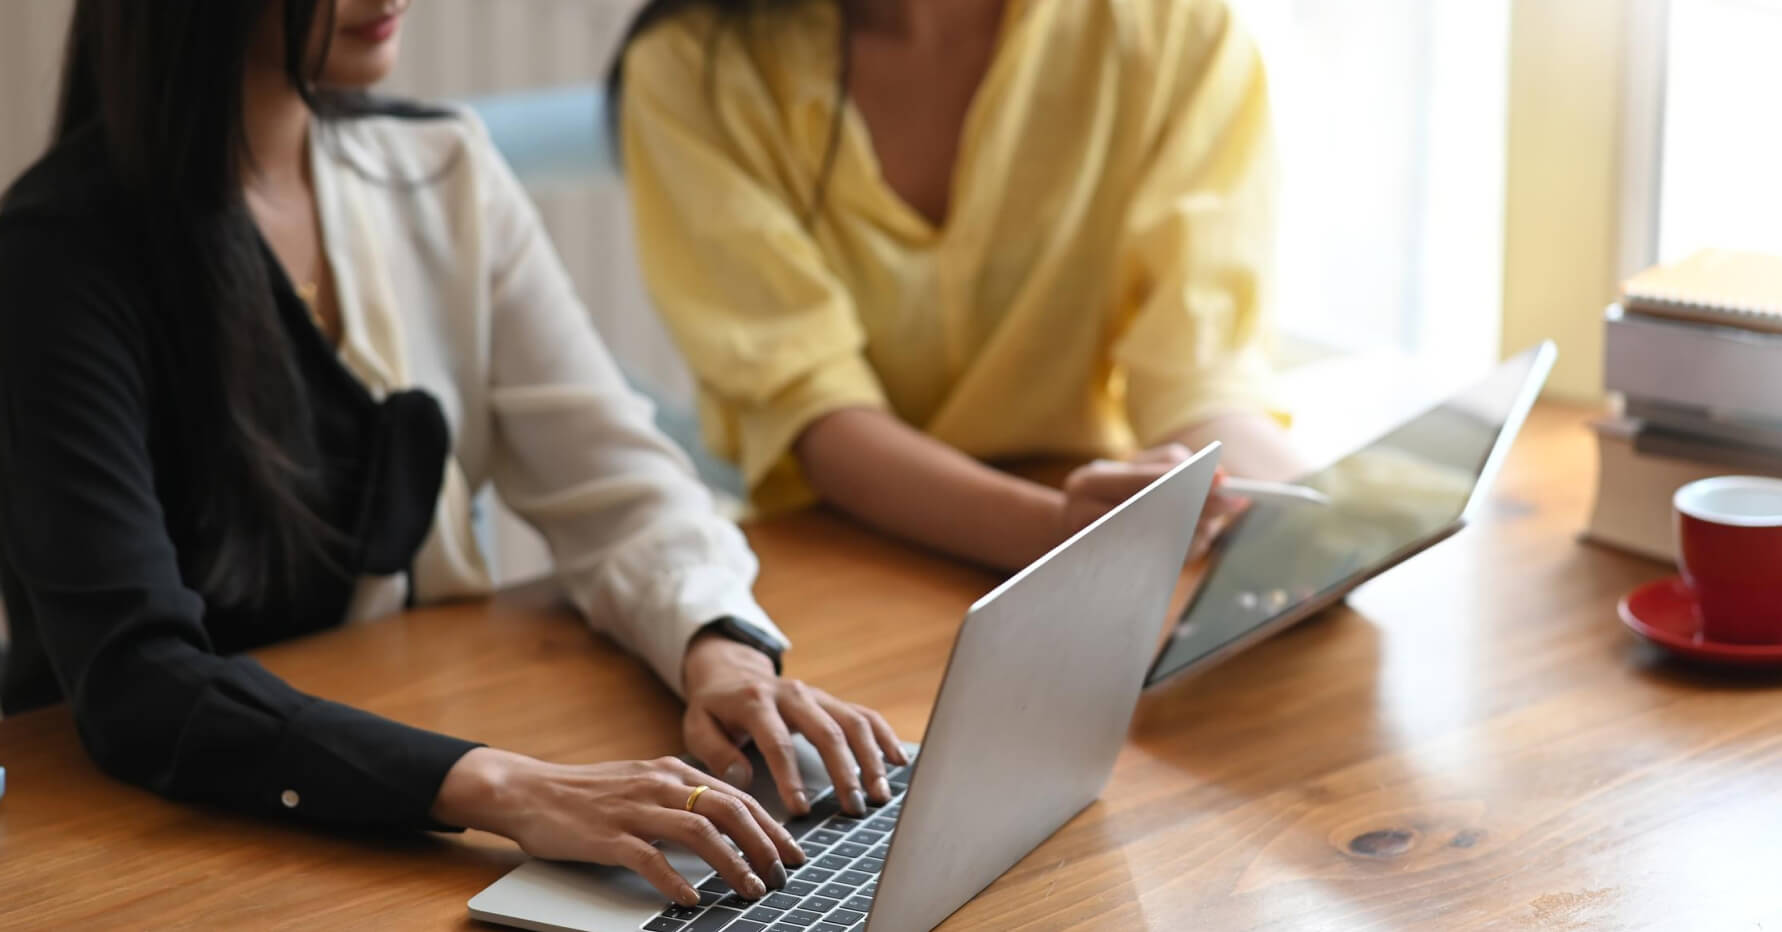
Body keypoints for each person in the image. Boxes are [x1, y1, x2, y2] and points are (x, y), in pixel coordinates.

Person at [0, 0, 905, 909]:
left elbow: (620, 483)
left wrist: (721, 650)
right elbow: (136, 683)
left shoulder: (442, 167)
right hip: (162, 845)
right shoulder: (56, 253)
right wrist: (516, 789)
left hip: (415, 783)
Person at [612, 0, 1308, 571]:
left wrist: (1307, 526)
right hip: (847, 555)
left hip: (1090, 533)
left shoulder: (1177, 29)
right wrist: (1056, 533)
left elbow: (1200, 374)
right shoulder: (690, 68)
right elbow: (813, 412)